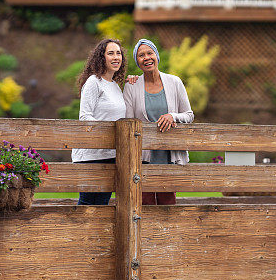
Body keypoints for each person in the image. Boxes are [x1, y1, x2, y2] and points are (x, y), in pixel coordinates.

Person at [123, 38, 194, 205]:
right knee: (144, 206)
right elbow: (127, 122)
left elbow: (189, 115)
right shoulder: (132, 86)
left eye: (150, 53)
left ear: (156, 55)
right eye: (141, 55)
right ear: (137, 61)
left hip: (170, 156)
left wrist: (173, 116)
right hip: (143, 158)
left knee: (168, 206)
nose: (146, 58)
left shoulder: (174, 82)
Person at [72, 38, 128, 205]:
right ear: (101, 57)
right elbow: (85, 116)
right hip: (91, 156)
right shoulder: (93, 82)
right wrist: (108, 133)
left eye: (118, 53)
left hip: (110, 155)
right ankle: (79, 233)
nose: (116, 57)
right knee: (87, 205)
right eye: (110, 53)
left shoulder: (115, 86)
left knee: (102, 206)